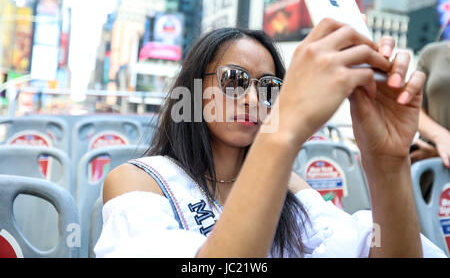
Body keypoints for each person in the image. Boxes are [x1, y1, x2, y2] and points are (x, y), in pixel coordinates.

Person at [94, 19, 446, 258]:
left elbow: (377, 247)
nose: (253, 100)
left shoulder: (290, 187)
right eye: (235, 80)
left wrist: (387, 163)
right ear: (195, 91)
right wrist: (284, 132)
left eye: (269, 87)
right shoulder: (139, 181)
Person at [410, 40, 450, 169]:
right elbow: (415, 110)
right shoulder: (431, 54)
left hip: (435, 157)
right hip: (429, 162)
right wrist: (442, 137)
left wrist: (439, 154)